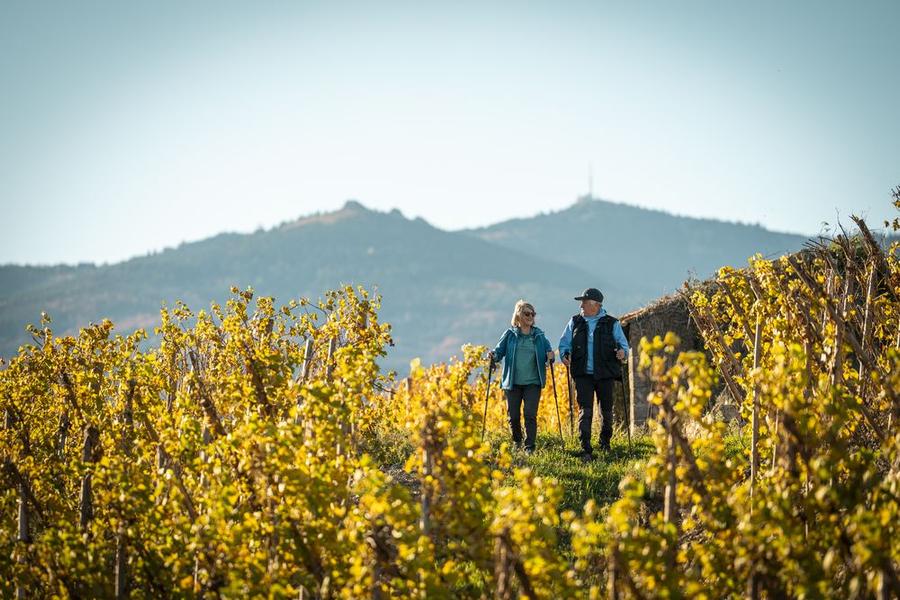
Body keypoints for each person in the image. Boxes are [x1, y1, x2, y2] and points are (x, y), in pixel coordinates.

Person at [558, 288, 629, 461]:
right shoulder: (574, 322)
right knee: (585, 409)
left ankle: (605, 443)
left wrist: (622, 353)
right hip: (582, 373)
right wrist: (564, 354)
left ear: (595, 305)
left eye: (584, 302)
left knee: (606, 410)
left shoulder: (612, 323)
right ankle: (586, 447)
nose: (581, 305)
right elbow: (564, 343)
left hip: (605, 373)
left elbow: (624, 346)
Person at [489, 300, 555, 453]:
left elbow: (549, 353)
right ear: (518, 315)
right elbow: (499, 352)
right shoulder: (510, 334)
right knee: (513, 416)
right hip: (513, 383)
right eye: (526, 313)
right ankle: (517, 441)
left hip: (533, 382)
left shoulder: (539, 335)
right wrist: (493, 355)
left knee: (530, 414)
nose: (530, 316)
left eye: (533, 314)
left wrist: (550, 356)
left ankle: (530, 447)